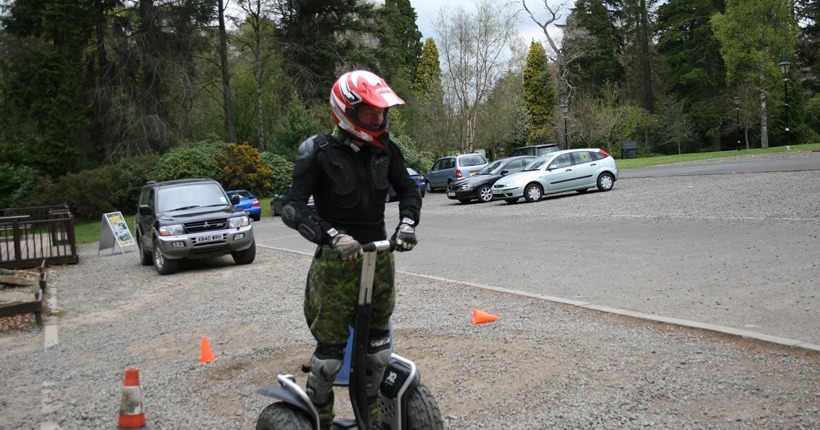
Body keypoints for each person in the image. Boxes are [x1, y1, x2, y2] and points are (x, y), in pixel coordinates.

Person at [280, 70, 422, 429]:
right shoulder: (318, 152)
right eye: (370, 113)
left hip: (379, 256)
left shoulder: (387, 151)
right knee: (329, 359)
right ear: (347, 111)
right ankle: (319, 422)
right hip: (336, 264)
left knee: (378, 352)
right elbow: (293, 206)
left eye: (381, 113)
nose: (378, 119)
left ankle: (372, 421)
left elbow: (409, 190)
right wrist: (330, 236)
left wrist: (407, 224)